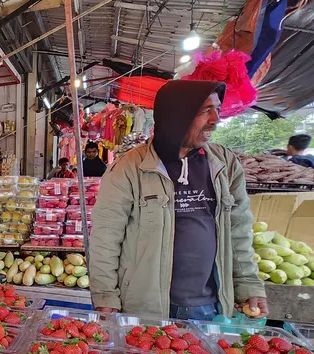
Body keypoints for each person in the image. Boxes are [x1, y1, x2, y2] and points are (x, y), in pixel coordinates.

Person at [89, 80, 266, 321]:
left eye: (216, 109)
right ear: (177, 115)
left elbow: (238, 230)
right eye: (205, 110)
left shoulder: (224, 164)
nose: (216, 119)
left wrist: (248, 285)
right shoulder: (129, 168)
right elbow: (106, 237)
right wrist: (106, 296)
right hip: (146, 307)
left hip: (207, 305)